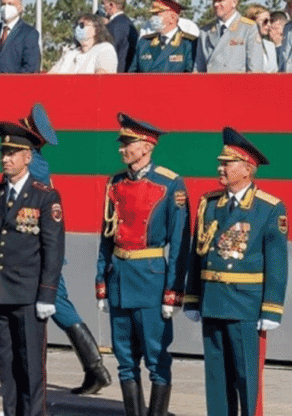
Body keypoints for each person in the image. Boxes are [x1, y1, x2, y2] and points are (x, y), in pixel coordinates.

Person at [0, 104, 109, 396]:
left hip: (28, 256)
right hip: (28, 255)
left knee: (50, 304)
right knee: (37, 304)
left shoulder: (33, 165)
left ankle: (95, 369)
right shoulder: (39, 162)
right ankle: (94, 368)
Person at [184, 128, 287, 416]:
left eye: (227, 163)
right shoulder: (210, 203)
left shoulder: (268, 208)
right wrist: (192, 298)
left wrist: (272, 309)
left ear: (247, 168)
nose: (220, 168)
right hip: (213, 301)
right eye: (221, 163)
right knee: (216, 380)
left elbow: (277, 264)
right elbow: (197, 254)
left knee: (247, 378)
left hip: (246, 306)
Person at [95, 113, 191, 416]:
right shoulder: (115, 182)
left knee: (157, 358)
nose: (122, 148)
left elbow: (179, 244)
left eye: (127, 143)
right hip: (120, 278)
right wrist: (101, 280)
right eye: (122, 142)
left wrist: (173, 291)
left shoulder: (170, 183)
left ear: (146, 146)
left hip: (151, 279)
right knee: (124, 359)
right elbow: (107, 236)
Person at [0, 121, 65, 416]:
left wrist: (48, 295)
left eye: (13, 153)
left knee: (31, 371)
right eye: (3, 152)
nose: (6, 158)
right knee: (7, 368)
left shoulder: (45, 196)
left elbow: (53, 250)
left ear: (28, 157)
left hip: (28, 296)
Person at [195, 0, 263, 72]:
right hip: (209, 86)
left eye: (221, 0)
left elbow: (255, 70)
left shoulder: (248, 28)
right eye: (214, 0)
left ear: (234, 2)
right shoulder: (205, 31)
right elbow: (198, 70)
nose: (216, 4)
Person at [131, 0, 199, 73]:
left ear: (173, 17)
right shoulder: (143, 43)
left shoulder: (189, 44)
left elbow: (191, 77)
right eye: (153, 14)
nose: (153, 18)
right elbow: (132, 77)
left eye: (158, 13)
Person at [48, 13, 118, 74]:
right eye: (77, 25)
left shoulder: (105, 49)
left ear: (96, 29)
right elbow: (50, 76)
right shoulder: (70, 54)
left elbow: (102, 79)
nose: (79, 28)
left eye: (83, 25)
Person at [101, 0, 140, 72]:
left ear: (111, 5)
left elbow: (107, 56)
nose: (103, 7)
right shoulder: (130, 24)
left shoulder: (112, 27)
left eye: (104, 4)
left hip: (116, 77)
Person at [241, 5, 279, 73]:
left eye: (270, 21)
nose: (269, 24)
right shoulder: (241, 45)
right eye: (265, 21)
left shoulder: (270, 45)